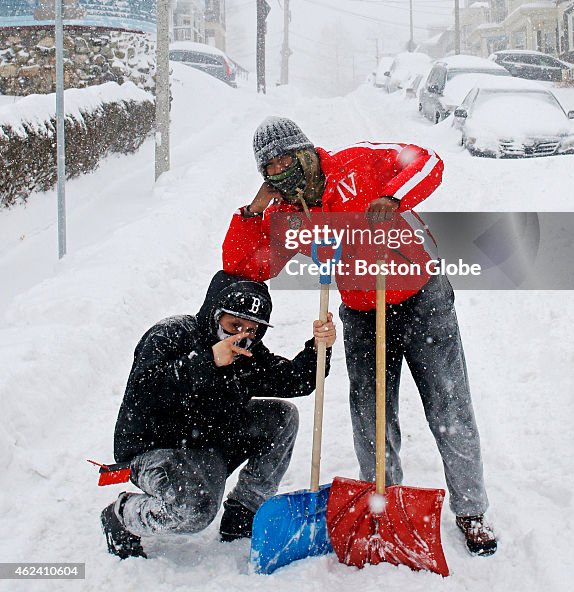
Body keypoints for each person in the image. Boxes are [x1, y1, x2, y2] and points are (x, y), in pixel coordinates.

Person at [220, 117, 497, 556]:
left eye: (286, 158)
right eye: (269, 167)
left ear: (305, 151)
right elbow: (245, 266)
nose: (280, 170)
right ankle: (385, 502)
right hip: (363, 313)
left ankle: (472, 510)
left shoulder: (356, 163)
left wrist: (393, 197)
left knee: (449, 405)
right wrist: (254, 211)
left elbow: (427, 162)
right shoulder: (286, 214)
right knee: (370, 416)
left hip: (421, 295)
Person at [101, 269, 336, 559]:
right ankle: (123, 515)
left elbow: (294, 380)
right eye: (233, 324)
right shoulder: (171, 334)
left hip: (207, 443)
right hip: (154, 450)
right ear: (215, 315)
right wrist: (208, 361)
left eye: (250, 329)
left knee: (282, 416)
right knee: (194, 513)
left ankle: (242, 513)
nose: (240, 335)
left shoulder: (247, 353)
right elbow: (144, 391)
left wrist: (319, 346)